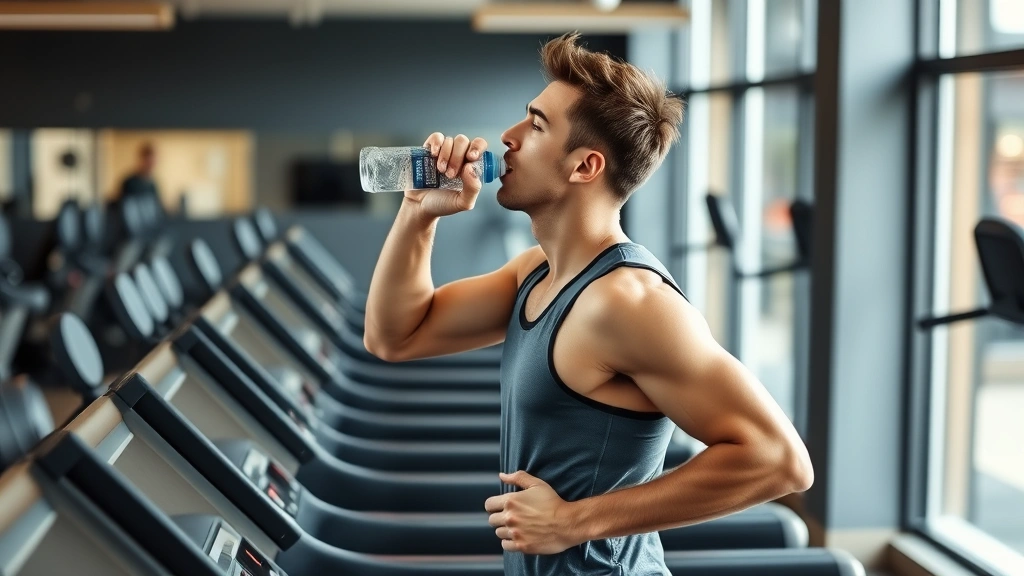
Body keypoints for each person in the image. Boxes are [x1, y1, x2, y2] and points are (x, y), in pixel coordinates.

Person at [363, 32, 813, 575]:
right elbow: (396, 336)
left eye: (535, 126)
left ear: (584, 167)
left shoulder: (627, 302)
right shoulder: (537, 273)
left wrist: (572, 522)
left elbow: (779, 460)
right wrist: (419, 211)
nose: (507, 138)